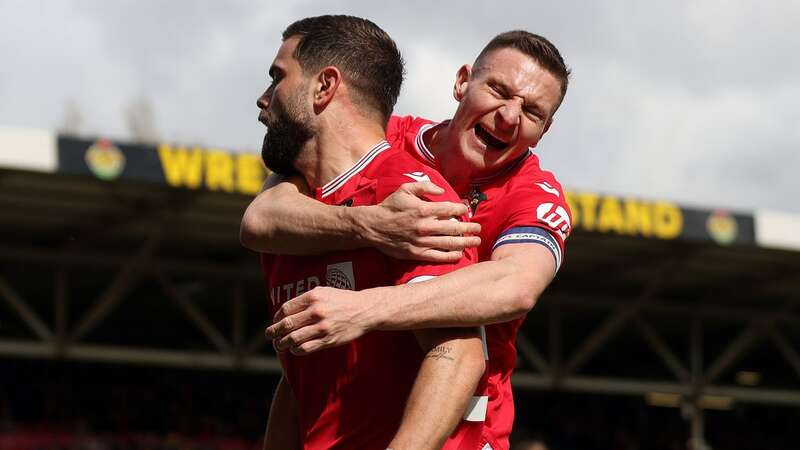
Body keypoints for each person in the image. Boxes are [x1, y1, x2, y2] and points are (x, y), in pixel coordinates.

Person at [242, 29, 573, 450]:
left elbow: (516, 284)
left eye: (532, 112)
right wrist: (372, 223)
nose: (508, 116)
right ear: (461, 82)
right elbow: (261, 218)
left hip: (464, 431)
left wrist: (364, 308)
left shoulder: (535, 196)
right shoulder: (381, 141)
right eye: (498, 90)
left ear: (545, 129)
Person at [251, 15, 487, 450]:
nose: (263, 100)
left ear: (324, 86)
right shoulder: (295, 216)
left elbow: (457, 354)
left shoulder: (412, 198)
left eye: (277, 79)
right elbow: (299, 380)